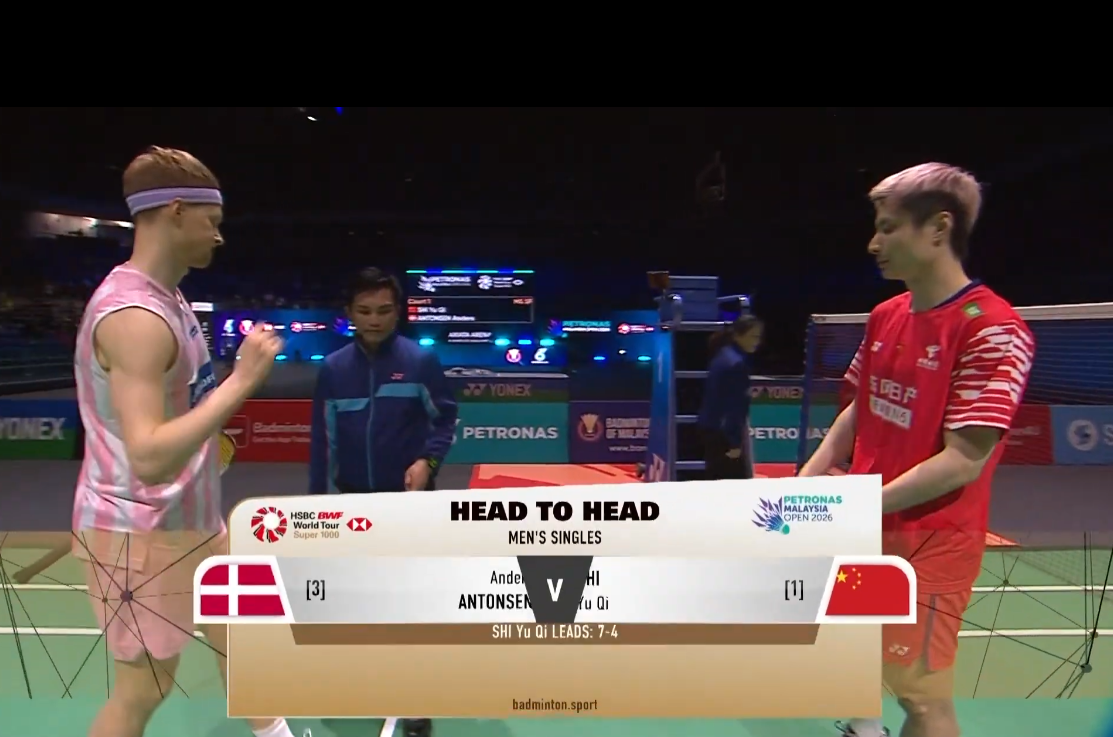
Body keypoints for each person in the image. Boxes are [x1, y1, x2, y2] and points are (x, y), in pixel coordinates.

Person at [800, 163, 1035, 737]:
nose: (872, 243)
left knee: (922, 699)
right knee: (854, 649)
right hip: (867, 528)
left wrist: (853, 505)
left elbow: (964, 459)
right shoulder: (886, 315)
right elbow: (861, 409)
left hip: (930, 546)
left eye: (888, 228)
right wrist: (805, 484)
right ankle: (864, 727)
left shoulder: (993, 329)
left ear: (938, 228)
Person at [71, 146, 297, 737]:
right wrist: (242, 382)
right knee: (143, 691)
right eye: (211, 221)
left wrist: (208, 433)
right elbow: (148, 455)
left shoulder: (170, 298)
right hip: (139, 532)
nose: (219, 236)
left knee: (241, 634)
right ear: (175, 211)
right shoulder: (135, 318)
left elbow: (180, 414)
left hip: (191, 516)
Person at [309, 267, 458, 737]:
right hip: (353, 505)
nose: (374, 320)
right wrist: (314, 511)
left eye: (384, 311)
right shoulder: (333, 370)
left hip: (409, 505)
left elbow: (445, 420)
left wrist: (427, 462)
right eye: (365, 311)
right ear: (349, 314)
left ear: (399, 312)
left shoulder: (421, 362)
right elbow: (324, 445)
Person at [696, 314, 763, 479]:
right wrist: (734, 442)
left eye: (758, 337)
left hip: (710, 430)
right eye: (753, 336)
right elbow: (734, 409)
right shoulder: (736, 365)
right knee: (731, 485)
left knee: (715, 479)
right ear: (738, 335)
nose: (757, 342)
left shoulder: (723, 354)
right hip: (722, 435)